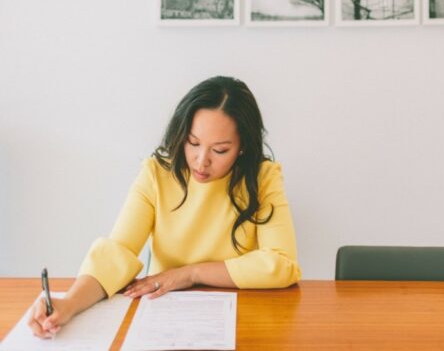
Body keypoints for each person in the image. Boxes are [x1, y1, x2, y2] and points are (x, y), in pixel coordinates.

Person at [28, 76, 301, 338]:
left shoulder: (262, 177)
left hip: (242, 317)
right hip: (163, 317)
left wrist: (190, 274)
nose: (200, 161)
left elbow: (281, 264)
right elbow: (117, 253)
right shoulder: (157, 173)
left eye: (219, 150)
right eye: (192, 143)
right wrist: (68, 304)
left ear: (242, 147)